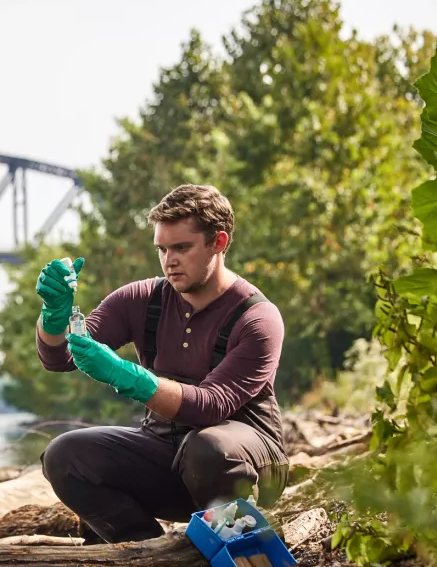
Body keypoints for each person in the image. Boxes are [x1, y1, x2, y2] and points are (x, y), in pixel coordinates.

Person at [35, 183, 289, 543]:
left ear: (219, 242)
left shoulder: (257, 318)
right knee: (65, 454)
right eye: (162, 249)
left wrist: (129, 377)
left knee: (207, 448)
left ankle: (242, 552)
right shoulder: (141, 298)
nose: (169, 260)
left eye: (182, 248)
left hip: (246, 466)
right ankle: (143, 553)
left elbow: (211, 406)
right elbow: (60, 358)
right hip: (166, 459)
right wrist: (53, 317)